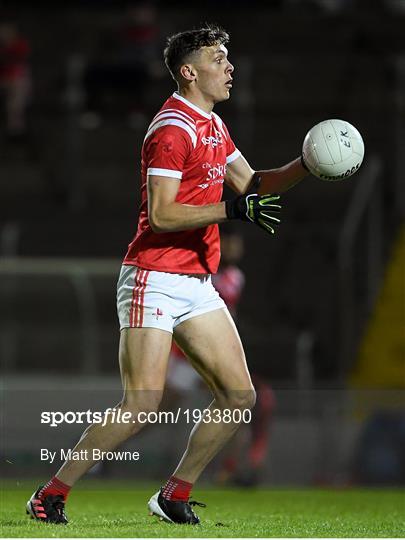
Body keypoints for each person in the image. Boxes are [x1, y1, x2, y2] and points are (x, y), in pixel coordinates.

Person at [26, 24, 308, 526]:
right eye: (218, 59)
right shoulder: (172, 128)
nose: (229, 67)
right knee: (142, 403)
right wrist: (232, 211)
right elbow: (162, 214)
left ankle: (173, 494)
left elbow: (254, 185)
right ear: (188, 71)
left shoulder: (215, 127)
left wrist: (309, 163)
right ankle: (51, 494)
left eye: (227, 58)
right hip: (152, 276)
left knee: (239, 396)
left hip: (196, 283)